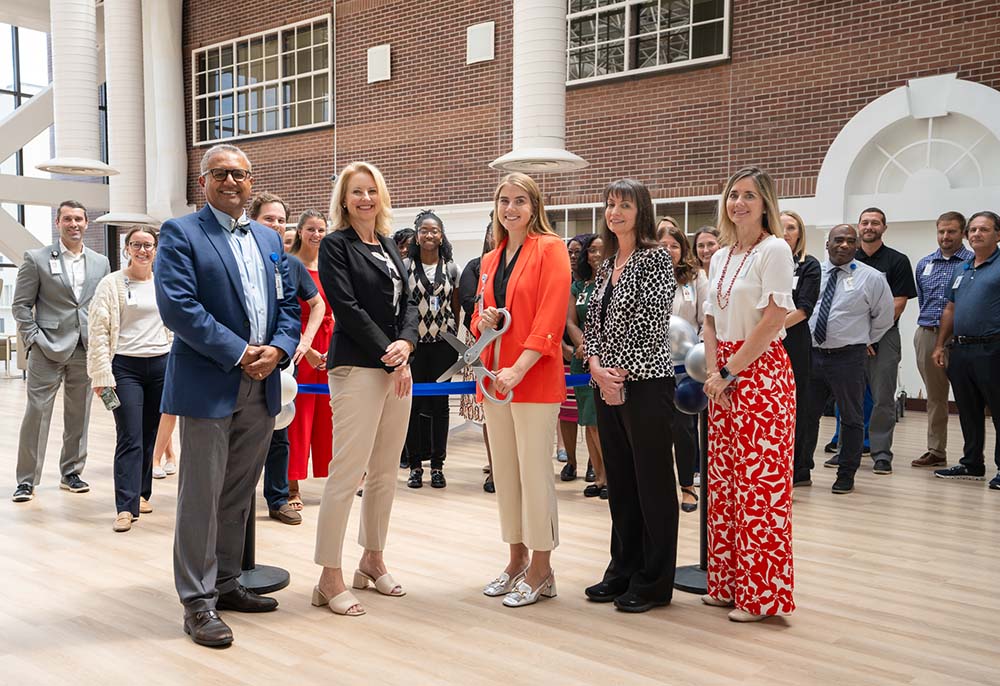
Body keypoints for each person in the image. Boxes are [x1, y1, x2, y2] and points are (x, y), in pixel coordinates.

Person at [154, 144, 300, 648]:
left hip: (262, 383)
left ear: (252, 180)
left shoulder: (267, 237)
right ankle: (197, 603)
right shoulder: (180, 233)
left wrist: (278, 351)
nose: (232, 182)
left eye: (241, 174)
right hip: (210, 381)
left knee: (239, 493)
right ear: (204, 182)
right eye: (221, 174)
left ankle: (227, 582)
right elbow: (179, 308)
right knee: (201, 496)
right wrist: (241, 352)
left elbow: (288, 307)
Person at [313, 161, 417, 617]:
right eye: (356, 192)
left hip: (397, 366)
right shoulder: (336, 244)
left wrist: (407, 344)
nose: (365, 199)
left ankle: (371, 560)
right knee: (347, 473)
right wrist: (390, 353)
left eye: (372, 191)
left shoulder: (391, 244)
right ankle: (328, 576)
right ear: (344, 198)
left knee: (385, 472)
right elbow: (346, 307)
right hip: (357, 366)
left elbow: (411, 301)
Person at [701, 166, 796, 622]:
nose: (738, 203)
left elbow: (774, 319)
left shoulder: (774, 249)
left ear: (765, 205)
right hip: (723, 373)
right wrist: (713, 369)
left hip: (760, 374)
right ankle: (726, 584)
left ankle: (761, 597)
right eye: (733, 195)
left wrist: (729, 370)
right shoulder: (719, 255)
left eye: (749, 196)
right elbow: (710, 321)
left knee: (759, 489)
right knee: (723, 485)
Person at [471, 172, 570, 608]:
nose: (510, 209)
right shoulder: (491, 258)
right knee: (506, 476)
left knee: (534, 475)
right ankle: (515, 560)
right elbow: (477, 318)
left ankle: (542, 569)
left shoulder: (551, 248)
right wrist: (485, 321)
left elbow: (549, 318)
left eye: (520, 201)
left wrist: (519, 367)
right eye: (504, 201)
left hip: (532, 379)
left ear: (535, 207)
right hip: (495, 381)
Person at [583, 180, 677, 613]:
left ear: (642, 210)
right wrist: (598, 370)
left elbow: (651, 324)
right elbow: (594, 327)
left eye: (624, 205)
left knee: (652, 483)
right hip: (607, 382)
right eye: (610, 205)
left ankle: (654, 581)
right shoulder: (606, 264)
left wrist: (617, 375)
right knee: (620, 482)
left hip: (644, 383)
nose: (615, 212)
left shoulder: (655, 258)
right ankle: (622, 569)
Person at [12, 200, 111, 503]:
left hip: (85, 347)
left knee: (79, 414)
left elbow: (100, 305)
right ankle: (27, 480)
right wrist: (34, 338)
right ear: (58, 223)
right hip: (47, 348)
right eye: (67, 219)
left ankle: (71, 472)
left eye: (79, 219)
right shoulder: (37, 258)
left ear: (86, 223)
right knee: (36, 414)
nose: (74, 224)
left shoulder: (100, 262)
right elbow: (21, 305)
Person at [249, 194, 327, 525]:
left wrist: (302, 342)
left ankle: (278, 498)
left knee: (280, 432)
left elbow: (317, 305)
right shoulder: (241, 258)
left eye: (282, 220)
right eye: (270, 219)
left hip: (280, 361)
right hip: (241, 358)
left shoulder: (291, 265)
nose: (277, 225)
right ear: (252, 220)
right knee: (239, 433)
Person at [87, 226, 172, 531]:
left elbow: (175, 323)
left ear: (156, 249)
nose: (142, 250)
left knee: (150, 435)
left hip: (161, 365)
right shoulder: (112, 284)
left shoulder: (164, 281)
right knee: (130, 435)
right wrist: (101, 374)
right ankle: (125, 506)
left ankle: (142, 492)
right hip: (125, 368)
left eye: (148, 245)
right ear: (127, 248)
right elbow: (97, 331)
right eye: (136, 244)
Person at [801, 225, 893, 494]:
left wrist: (861, 338)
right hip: (812, 355)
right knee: (806, 416)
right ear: (827, 243)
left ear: (856, 246)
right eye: (838, 240)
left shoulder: (872, 278)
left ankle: (846, 473)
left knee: (852, 417)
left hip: (848, 357)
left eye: (850, 241)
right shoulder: (813, 272)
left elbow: (884, 318)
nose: (843, 245)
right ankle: (802, 469)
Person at [932, 211, 1000, 490]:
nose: (976, 234)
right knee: (968, 410)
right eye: (972, 230)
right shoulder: (962, 269)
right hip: (960, 350)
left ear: (998, 234)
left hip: (993, 349)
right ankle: (972, 463)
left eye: (983, 229)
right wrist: (939, 344)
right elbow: (950, 307)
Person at [854, 207, 917, 475]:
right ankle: (851, 450)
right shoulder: (847, 259)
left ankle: (881, 453)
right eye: (865, 222)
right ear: (858, 226)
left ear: (884, 228)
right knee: (851, 397)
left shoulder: (897, 260)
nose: (870, 226)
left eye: (875, 223)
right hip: (851, 336)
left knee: (882, 397)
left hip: (885, 335)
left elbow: (898, 303)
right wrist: (859, 335)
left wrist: (872, 335)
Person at [404, 210, 460, 489]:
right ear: (417, 235)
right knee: (411, 407)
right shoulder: (404, 267)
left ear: (441, 235)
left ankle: (437, 466)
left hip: (442, 348)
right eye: (424, 230)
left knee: (440, 408)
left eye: (434, 230)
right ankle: (415, 466)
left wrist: (451, 336)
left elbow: (457, 308)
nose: (429, 235)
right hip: (414, 348)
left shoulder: (451, 268)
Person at [911, 211, 972, 468]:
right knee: (935, 397)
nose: (945, 237)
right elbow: (924, 300)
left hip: (963, 338)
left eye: (952, 232)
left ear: (963, 233)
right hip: (927, 334)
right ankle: (936, 450)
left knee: (970, 397)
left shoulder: (974, 261)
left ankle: (973, 454)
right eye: (941, 232)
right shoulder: (925, 263)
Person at [286, 210, 336, 511]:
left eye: (321, 229)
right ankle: (292, 484)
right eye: (311, 229)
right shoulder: (292, 266)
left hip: (331, 345)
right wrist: (308, 348)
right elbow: (288, 314)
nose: (316, 235)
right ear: (301, 232)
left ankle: (335, 478)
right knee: (299, 416)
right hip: (301, 343)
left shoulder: (331, 265)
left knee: (330, 415)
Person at [658, 218, 707, 512]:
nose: (668, 250)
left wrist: (696, 352)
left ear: (682, 249)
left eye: (674, 245)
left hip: (687, 365)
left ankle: (687, 486)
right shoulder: (645, 276)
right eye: (662, 245)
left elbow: (705, 320)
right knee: (656, 429)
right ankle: (661, 488)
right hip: (653, 364)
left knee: (685, 428)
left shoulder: (695, 277)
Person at [779, 210, 821, 486]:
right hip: (765, 342)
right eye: (780, 227)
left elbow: (804, 308)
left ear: (800, 234)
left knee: (799, 404)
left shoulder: (808, 265)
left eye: (791, 227)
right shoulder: (765, 260)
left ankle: (800, 467)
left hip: (793, 341)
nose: (785, 232)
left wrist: (772, 329)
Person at [565, 233, 607, 498]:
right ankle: (600, 478)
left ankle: (612, 476)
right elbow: (569, 321)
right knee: (588, 423)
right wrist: (583, 345)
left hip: (604, 361)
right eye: (592, 251)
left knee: (601, 423)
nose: (597, 255)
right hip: (581, 362)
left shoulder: (613, 282)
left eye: (602, 250)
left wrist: (591, 347)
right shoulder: (578, 286)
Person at [458, 222, 497, 492]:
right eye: (493, 229)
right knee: (489, 409)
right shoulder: (476, 265)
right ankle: (495, 468)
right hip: (481, 339)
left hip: (514, 342)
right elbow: (469, 301)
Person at [557, 235, 586, 479]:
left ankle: (592, 464)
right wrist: (562, 346)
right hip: (563, 352)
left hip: (591, 356)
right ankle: (571, 462)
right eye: (570, 252)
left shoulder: (594, 282)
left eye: (578, 252)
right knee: (566, 413)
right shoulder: (559, 280)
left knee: (589, 413)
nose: (573, 257)